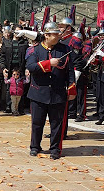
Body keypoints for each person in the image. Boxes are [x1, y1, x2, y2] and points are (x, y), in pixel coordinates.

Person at [26, 22, 77, 160]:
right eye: (55, 34)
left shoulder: (65, 49)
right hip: (38, 92)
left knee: (57, 124)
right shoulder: (34, 50)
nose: (58, 36)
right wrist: (49, 64)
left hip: (57, 93)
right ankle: (35, 147)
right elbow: (30, 66)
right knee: (37, 122)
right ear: (47, 35)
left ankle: (55, 149)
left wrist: (72, 87)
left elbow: (69, 71)